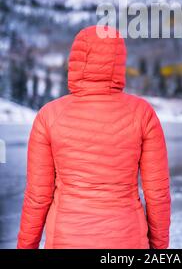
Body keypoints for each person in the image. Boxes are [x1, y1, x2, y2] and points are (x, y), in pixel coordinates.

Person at [17, 25, 171, 249]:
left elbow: (37, 196)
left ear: (76, 60)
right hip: (127, 239)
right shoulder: (142, 113)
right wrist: (159, 247)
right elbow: (157, 194)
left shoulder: (49, 116)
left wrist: (25, 246)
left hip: (66, 239)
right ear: (119, 62)